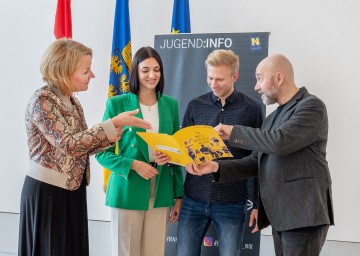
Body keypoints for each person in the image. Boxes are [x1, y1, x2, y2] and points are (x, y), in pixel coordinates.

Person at [186, 54, 334, 256]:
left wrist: (233, 132)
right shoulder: (273, 117)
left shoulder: (311, 106)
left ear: (279, 78)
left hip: (303, 215)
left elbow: (280, 141)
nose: (256, 86)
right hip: (282, 216)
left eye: (259, 78)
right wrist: (216, 167)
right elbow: (255, 162)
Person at [18, 39, 152, 256]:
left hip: (72, 190)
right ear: (65, 71)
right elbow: (68, 144)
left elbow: (81, 145)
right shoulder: (42, 101)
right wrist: (111, 124)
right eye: (86, 71)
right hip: (49, 194)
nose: (93, 75)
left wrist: (111, 136)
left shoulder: (72, 101)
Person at [156, 49, 263, 256]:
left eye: (220, 79)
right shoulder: (195, 106)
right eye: (210, 78)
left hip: (232, 201)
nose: (214, 84)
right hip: (193, 198)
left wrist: (258, 204)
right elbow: (182, 147)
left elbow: (259, 161)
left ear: (235, 76)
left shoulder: (252, 109)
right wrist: (177, 159)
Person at [95, 46, 184, 256]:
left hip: (162, 187)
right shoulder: (117, 104)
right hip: (127, 188)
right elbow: (101, 153)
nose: (152, 75)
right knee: (126, 252)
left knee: (154, 252)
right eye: (145, 70)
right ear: (135, 71)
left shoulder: (171, 105)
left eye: (157, 69)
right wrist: (133, 165)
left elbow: (176, 150)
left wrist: (178, 194)